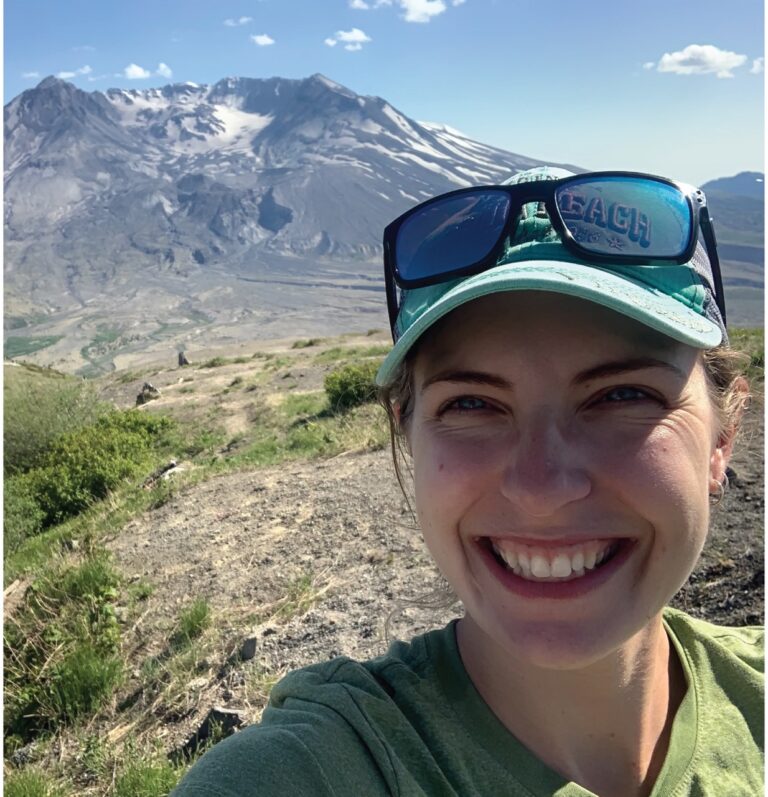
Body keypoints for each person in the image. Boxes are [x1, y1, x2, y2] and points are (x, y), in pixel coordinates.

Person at [173, 167, 763, 796]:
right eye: (472, 405)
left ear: (721, 438)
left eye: (622, 395)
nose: (541, 488)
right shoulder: (314, 770)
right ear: (409, 435)